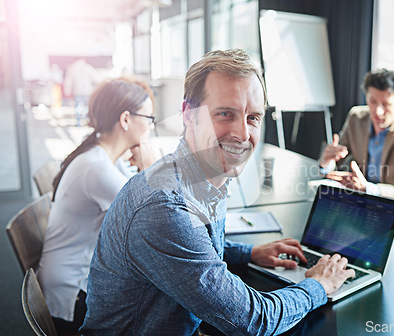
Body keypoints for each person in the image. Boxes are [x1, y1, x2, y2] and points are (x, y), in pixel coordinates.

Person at [81, 49, 355, 336]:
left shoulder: (203, 174)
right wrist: (318, 285)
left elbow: (194, 248)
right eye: (225, 114)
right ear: (189, 114)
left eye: (253, 118)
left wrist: (250, 253)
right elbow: (254, 320)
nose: (242, 134)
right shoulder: (163, 207)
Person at [37, 77, 157, 335]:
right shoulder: (96, 167)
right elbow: (155, 217)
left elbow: (141, 203)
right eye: (148, 118)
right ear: (126, 120)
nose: (150, 127)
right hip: (72, 297)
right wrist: (150, 169)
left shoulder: (104, 157)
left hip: (75, 281)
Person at [319, 69, 394, 206]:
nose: (378, 111)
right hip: (362, 205)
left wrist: (370, 189)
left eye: (386, 104)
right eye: (373, 102)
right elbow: (338, 163)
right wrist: (326, 163)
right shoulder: (356, 118)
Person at [64, 58, 97, 126]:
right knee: (87, 106)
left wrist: (67, 91)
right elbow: (94, 79)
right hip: (87, 91)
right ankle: (86, 120)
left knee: (78, 106)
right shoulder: (88, 67)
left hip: (77, 91)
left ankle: (79, 122)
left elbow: (68, 81)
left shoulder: (72, 68)